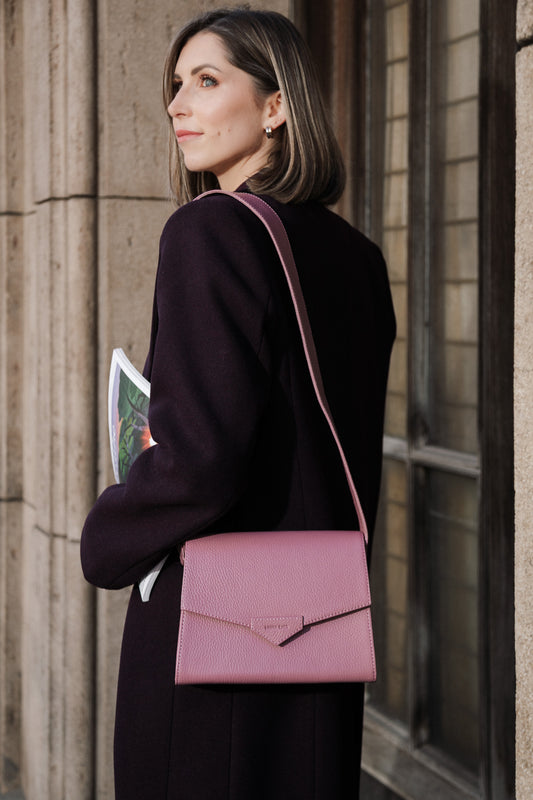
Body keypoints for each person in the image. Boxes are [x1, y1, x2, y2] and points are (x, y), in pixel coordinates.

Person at [81, 7, 395, 800]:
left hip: (213, 633)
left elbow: (200, 461)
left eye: (207, 80)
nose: (178, 104)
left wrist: (111, 532)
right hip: (318, 623)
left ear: (275, 105)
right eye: (176, 85)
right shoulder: (356, 258)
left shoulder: (210, 229)